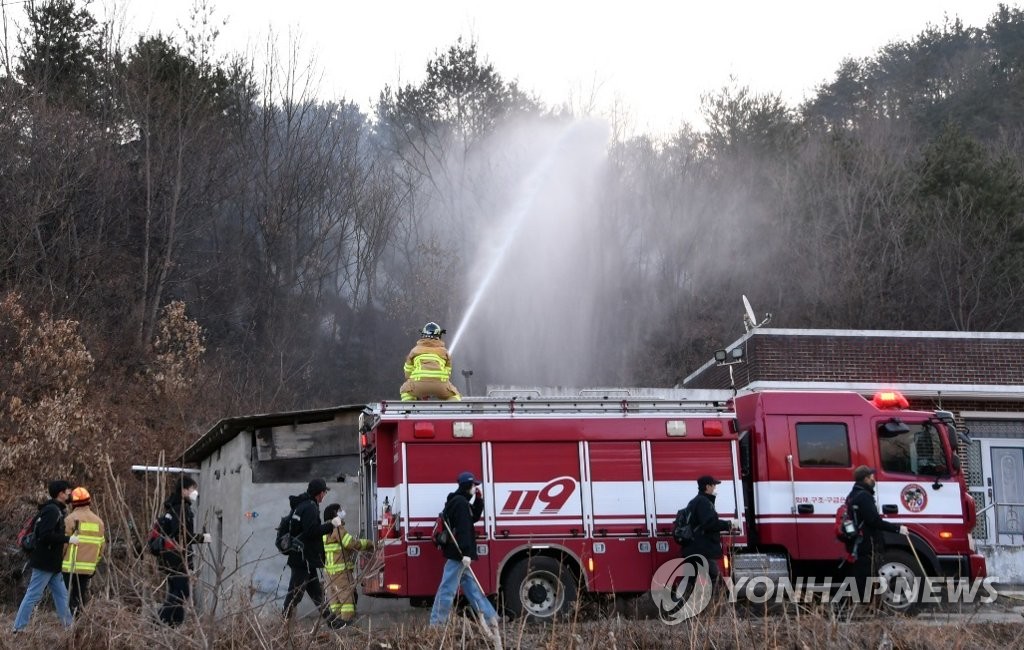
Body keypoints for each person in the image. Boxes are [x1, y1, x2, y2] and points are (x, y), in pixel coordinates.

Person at [429, 471, 498, 630]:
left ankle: (491, 618)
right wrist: (466, 553)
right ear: (468, 486)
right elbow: (464, 529)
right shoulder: (460, 503)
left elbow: (471, 517)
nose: (476, 488)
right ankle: (437, 625)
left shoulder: (459, 501)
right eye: (474, 485)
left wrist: (478, 500)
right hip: (459, 554)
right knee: (447, 589)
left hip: (458, 553)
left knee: (472, 588)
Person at [13, 480, 79, 632]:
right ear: (61, 494)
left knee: (62, 596)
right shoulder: (52, 511)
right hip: (45, 562)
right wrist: (68, 539)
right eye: (68, 491)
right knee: (32, 595)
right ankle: (18, 629)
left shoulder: (56, 510)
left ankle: (70, 629)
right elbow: (45, 535)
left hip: (52, 564)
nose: (70, 494)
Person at [283, 478, 344, 626]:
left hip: (304, 558)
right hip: (303, 559)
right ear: (320, 493)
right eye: (324, 492)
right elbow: (311, 532)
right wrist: (330, 525)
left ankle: (334, 623)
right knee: (294, 595)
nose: (324, 496)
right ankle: (284, 627)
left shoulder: (302, 505)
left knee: (317, 594)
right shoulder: (310, 508)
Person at [846, 466, 907, 606]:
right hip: (866, 543)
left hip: (857, 542)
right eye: (871, 476)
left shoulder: (853, 494)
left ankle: (861, 606)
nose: (874, 478)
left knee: (860, 576)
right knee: (866, 577)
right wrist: (897, 529)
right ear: (866, 478)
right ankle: (865, 608)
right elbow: (873, 521)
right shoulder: (864, 497)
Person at [157, 476, 211, 626]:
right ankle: (160, 620)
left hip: (169, 556)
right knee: (182, 592)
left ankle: (174, 624)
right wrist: (202, 538)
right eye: (193, 489)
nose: (195, 492)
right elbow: (182, 536)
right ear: (184, 490)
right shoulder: (181, 509)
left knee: (176, 591)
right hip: (178, 557)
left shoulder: (173, 507)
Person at [322, 503, 374, 628]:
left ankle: (337, 626)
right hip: (341, 574)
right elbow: (351, 544)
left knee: (335, 602)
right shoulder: (337, 529)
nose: (342, 513)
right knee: (347, 601)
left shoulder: (324, 531)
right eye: (340, 511)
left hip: (329, 574)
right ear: (335, 515)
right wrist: (368, 543)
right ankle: (347, 627)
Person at [680, 476, 734, 588]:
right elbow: (709, 524)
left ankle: (684, 604)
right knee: (716, 580)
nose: (715, 488)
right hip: (703, 550)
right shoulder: (704, 502)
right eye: (714, 485)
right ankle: (717, 605)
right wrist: (728, 525)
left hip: (693, 548)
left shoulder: (695, 501)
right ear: (707, 486)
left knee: (691, 581)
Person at [62, 486, 105, 617]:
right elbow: (101, 547)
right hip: (87, 568)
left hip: (69, 566)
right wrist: (94, 564)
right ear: (89, 501)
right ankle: (78, 621)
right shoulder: (99, 522)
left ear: (73, 502)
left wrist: (59, 560)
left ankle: (67, 623)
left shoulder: (70, 519)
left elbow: (64, 544)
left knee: (65, 596)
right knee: (79, 596)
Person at [399, 322, 462, 401]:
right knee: (456, 395)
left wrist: (420, 386)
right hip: (441, 386)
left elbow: (407, 374)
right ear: (439, 336)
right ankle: (447, 409)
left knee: (405, 391)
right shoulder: (444, 352)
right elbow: (448, 374)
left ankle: (410, 409)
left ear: (423, 335)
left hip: (419, 385)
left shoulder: (414, 351)